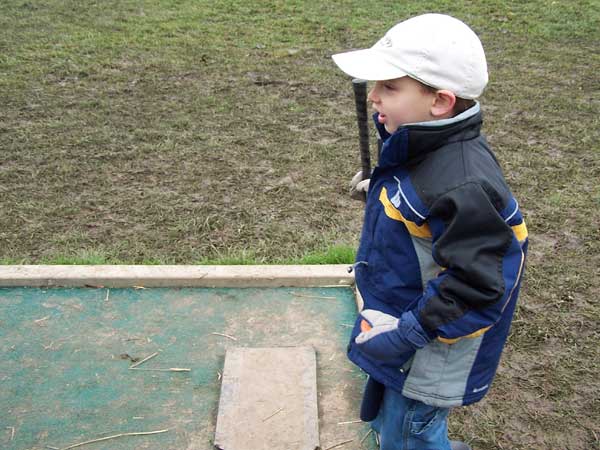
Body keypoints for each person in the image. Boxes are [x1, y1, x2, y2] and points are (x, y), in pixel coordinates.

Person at [331, 13, 528, 450]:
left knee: (408, 432)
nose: (374, 99)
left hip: (429, 343)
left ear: (439, 101)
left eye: (389, 87)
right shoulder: (416, 139)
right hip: (403, 322)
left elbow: (479, 284)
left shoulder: (461, 183)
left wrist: (408, 334)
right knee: (390, 420)